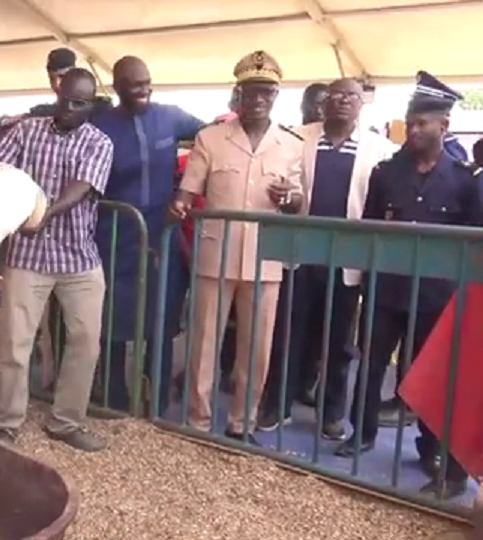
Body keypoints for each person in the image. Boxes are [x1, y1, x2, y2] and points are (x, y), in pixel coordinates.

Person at [336, 71, 481, 499]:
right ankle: (359, 433)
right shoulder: (386, 173)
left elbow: (472, 242)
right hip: (387, 290)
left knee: (431, 376)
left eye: (423, 123)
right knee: (372, 365)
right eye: (410, 122)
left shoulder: (464, 179)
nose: (414, 129)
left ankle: (431, 449)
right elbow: (371, 223)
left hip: (437, 295)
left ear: (444, 126)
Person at [169, 50, 304, 444]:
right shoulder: (210, 138)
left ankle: (242, 423)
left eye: (266, 92)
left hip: (266, 258)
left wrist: (290, 198)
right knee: (204, 342)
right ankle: (197, 418)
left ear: (276, 96)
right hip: (215, 253)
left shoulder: (291, 144)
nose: (258, 99)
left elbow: (299, 203)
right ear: (238, 94)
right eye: (250, 91)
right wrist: (178, 203)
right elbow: (188, 189)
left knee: (256, 347)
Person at [0, 67, 114, 452]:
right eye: (65, 99)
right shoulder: (27, 131)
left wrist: (43, 214)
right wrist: (7, 200)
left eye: (80, 103)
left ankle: (66, 422)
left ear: (91, 105)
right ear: (56, 94)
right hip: (28, 256)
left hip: (79, 257)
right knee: (13, 342)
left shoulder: (99, 142)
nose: (70, 108)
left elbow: (81, 188)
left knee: (86, 341)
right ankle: (6, 421)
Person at [258, 78, 395, 437]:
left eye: (350, 96)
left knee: (339, 342)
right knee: (288, 333)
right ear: (324, 103)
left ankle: (331, 413)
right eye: (336, 95)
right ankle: (277, 404)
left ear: (361, 103)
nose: (342, 102)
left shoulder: (379, 149)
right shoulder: (296, 137)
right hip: (299, 254)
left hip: (347, 259)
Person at [90, 55, 205, 414]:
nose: (143, 89)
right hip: (112, 236)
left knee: (162, 314)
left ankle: (157, 396)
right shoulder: (100, 123)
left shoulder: (171, 116)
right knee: (111, 315)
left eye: (146, 82)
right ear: (117, 87)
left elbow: (214, 134)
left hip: (160, 236)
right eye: (134, 84)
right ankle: (112, 395)